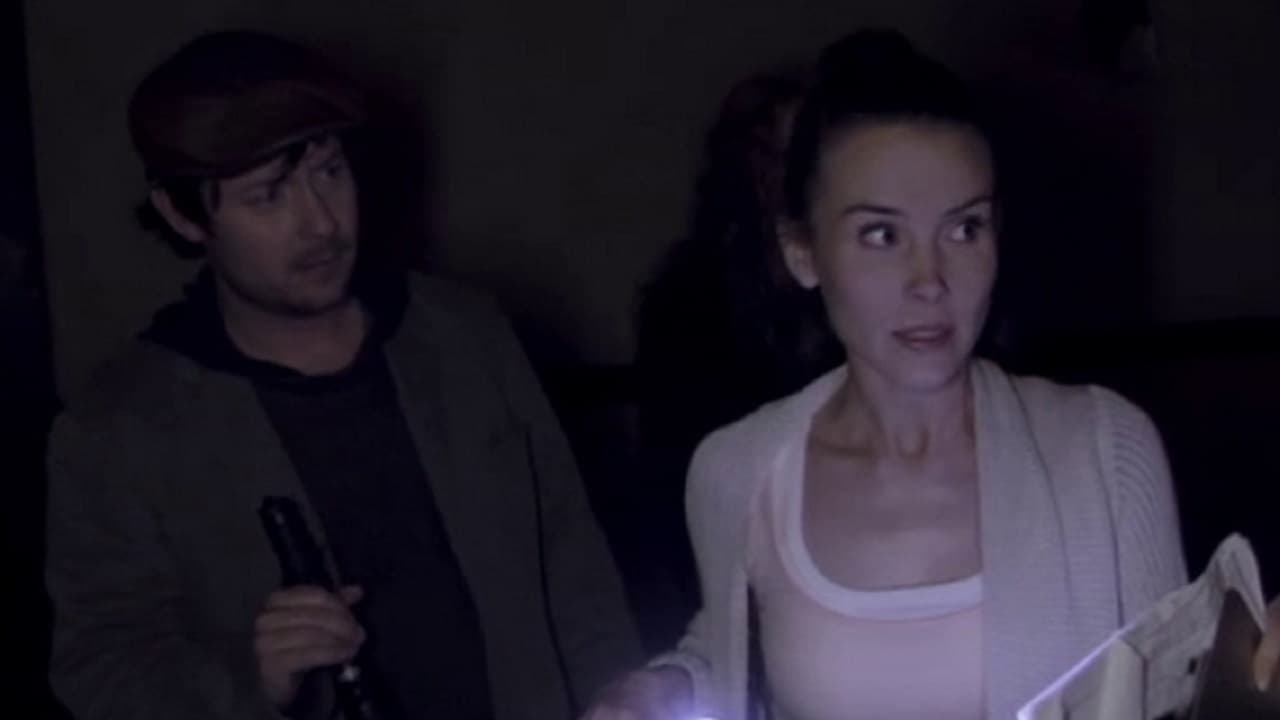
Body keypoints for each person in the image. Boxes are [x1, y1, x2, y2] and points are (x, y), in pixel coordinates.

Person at [583, 29, 1280, 720]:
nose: (930, 280)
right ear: (802, 252)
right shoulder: (737, 471)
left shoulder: (1106, 449)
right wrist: (666, 686)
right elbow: (729, 649)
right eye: (882, 234)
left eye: (964, 228)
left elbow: (1175, 694)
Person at [45, 30, 640, 720]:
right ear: (182, 214)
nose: (321, 223)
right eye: (269, 196)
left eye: (329, 172)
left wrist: (621, 692)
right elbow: (101, 666)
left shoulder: (464, 336)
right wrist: (249, 678)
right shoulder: (122, 427)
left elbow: (573, 565)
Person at [632, 66, 841, 652]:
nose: (789, 171)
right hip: (728, 575)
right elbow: (678, 471)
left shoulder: (848, 279)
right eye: (772, 152)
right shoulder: (690, 298)